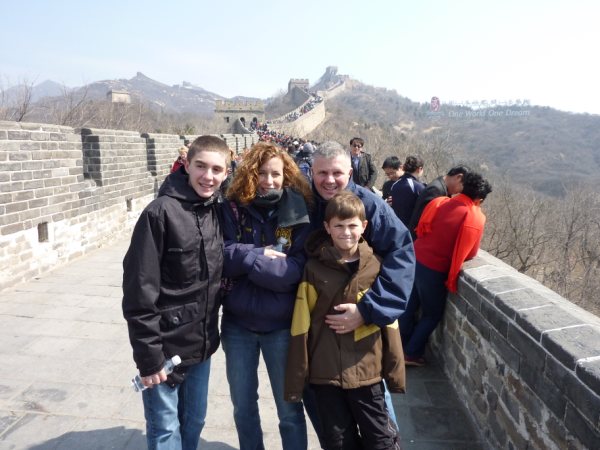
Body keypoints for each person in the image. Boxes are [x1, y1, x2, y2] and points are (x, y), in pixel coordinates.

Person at [122, 135, 230, 450]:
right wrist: (149, 358)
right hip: (164, 347)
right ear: (186, 164)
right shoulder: (160, 213)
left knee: (194, 422)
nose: (208, 176)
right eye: (201, 166)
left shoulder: (216, 210)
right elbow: (139, 291)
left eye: (216, 169)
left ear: (226, 172)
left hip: (202, 345)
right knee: (165, 430)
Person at [305, 140, 415, 441]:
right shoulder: (305, 203)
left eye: (337, 173)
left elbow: (401, 253)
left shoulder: (370, 205)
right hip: (320, 333)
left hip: (363, 332)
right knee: (332, 425)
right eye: (322, 173)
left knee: (375, 411)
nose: (329, 180)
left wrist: (368, 310)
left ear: (350, 171)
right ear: (311, 172)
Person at [285, 191, 404, 449]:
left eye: (352, 226)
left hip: (367, 372)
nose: (346, 232)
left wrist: (395, 373)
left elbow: (390, 324)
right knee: (338, 442)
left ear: (364, 226)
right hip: (326, 374)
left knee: (381, 440)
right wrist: (297, 378)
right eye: (339, 226)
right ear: (327, 227)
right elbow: (301, 326)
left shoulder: (375, 267)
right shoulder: (314, 269)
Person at [220, 141, 312, 450]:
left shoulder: (297, 211)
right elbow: (222, 254)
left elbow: (295, 270)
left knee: (289, 409)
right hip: (238, 325)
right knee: (243, 407)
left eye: (276, 174)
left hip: (281, 326)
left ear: (286, 175)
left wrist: (246, 263)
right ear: (250, 173)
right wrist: (261, 254)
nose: (269, 181)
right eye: (262, 173)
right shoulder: (233, 207)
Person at [400, 172, 492, 366]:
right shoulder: (474, 215)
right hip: (433, 267)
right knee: (432, 314)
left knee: (410, 304)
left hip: (415, 257)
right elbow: (471, 252)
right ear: (480, 199)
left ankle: (398, 344)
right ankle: (411, 353)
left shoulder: (441, 201)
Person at [407, 165, 471, 238]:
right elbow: (422, 219)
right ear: (459, 177)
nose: (460, 192)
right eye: (462, 187)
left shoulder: (443, 189)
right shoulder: (436, 190)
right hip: (417, 239)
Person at [390, 155, 425, 227]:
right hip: (411, 227)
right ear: (419, 169)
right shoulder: (417, 186)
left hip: (396, 225)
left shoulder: (395, 184)